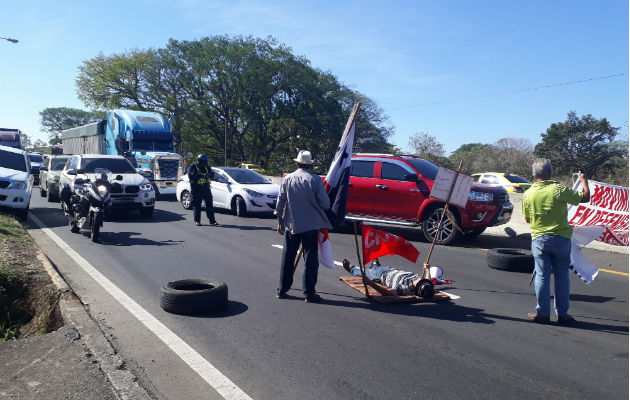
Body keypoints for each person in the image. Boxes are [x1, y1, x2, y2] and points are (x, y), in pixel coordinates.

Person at [522, 159, 590, 324]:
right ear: (550, 173)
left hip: (539, 239)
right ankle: (562, 314)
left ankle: (543, 313)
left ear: (534, 174)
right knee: (561, 277)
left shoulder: (528, 193)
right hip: (561, 240)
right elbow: (585, 198)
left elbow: (527, 219)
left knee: (542, 276)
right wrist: (583, 181)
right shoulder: (558, 189)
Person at [276, 150, 331, 303]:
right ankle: (309, 294)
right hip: (310, 227)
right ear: (311, 165)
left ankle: (282, 290)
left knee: (288, 258)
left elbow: (280, 202)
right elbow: (325, 204)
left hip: (292, 225)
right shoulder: (315, 180)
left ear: (297, 164)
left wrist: (279, 221)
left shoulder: (287, 179)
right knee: (311, 260)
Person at [342, 259, 433, 297]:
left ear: (417, 286)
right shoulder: (425, 284)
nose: (421, 278)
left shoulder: (406, 288)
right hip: (391, 270)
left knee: (367, 273)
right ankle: (375, 264)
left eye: (420, 281)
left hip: (381, 276)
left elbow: (388, 292)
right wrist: (427, 269)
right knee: (376, 267)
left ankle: (352, 269)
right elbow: (428, 281)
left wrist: (370, 283)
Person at [188, 154, 219, 227]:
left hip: (206, 188)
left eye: (205, 162)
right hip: (196, 189)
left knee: (209, 205)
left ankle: (212, 221)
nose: (204, 164)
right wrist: (201, 176)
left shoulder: (207, 167)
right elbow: (191, 176)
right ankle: (197, 221)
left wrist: (209, 175)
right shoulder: (193, 167)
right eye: (203, 162)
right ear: (199, 161)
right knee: (197, 205)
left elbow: (212, 173)